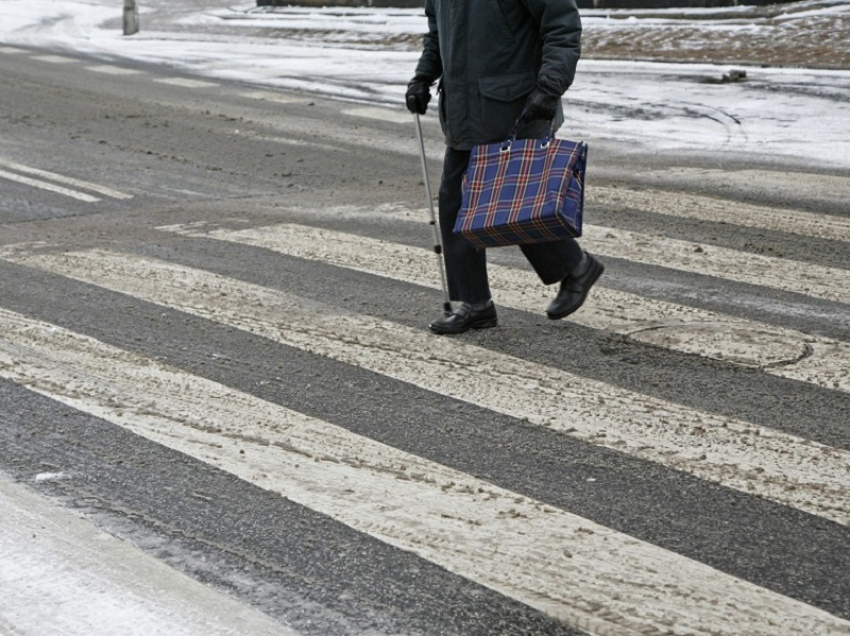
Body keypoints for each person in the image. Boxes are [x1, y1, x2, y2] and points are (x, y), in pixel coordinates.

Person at [405, 0, 604, 335]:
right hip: (464, 109)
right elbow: (437, 32)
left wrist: (550, 87)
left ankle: (576, 267)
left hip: (518, 106)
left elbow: (562, 26)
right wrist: (423, 75)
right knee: (456, 204)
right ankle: (476, 303)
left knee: (515, 206)